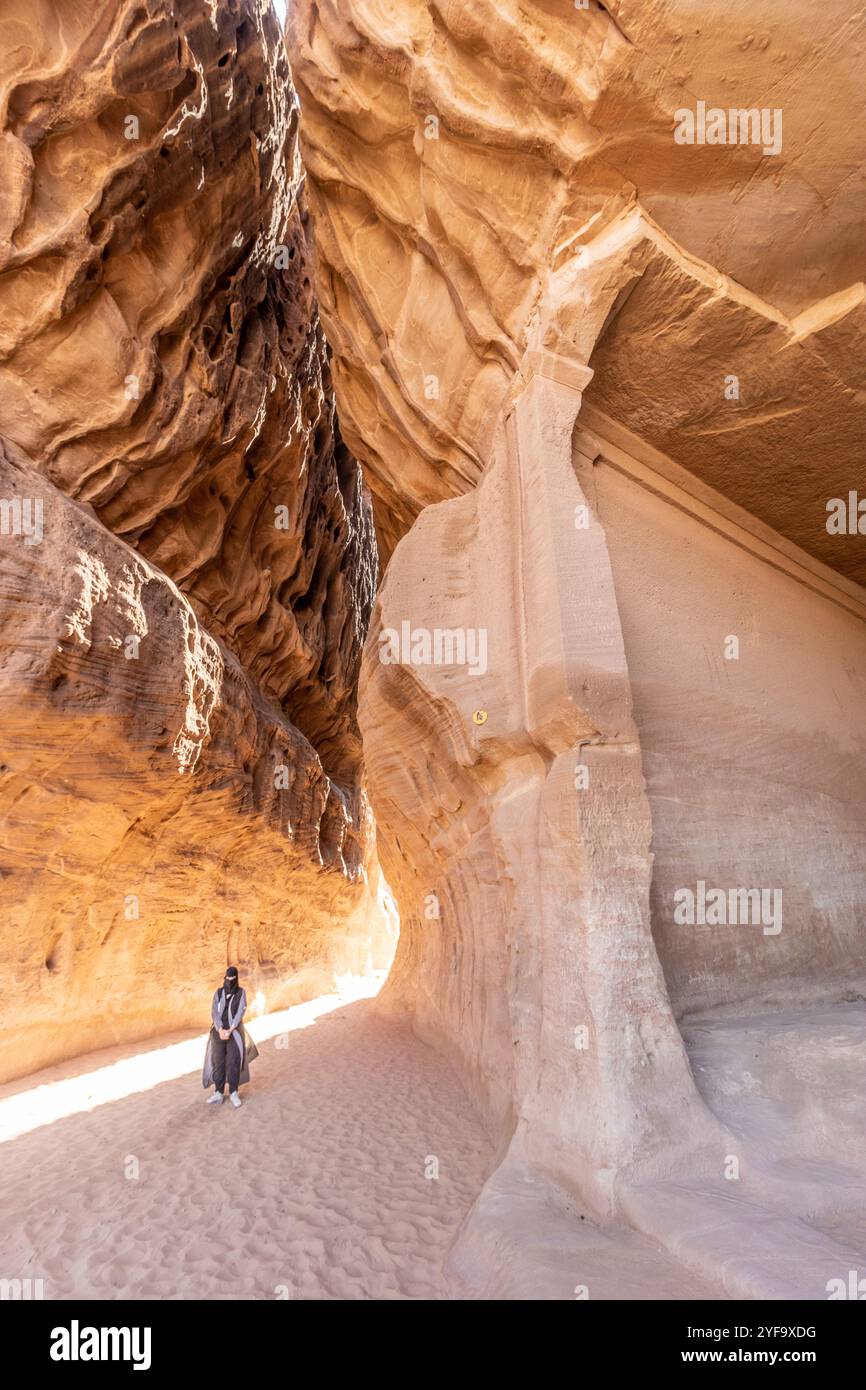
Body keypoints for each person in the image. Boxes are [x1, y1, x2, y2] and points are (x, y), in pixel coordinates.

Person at [202, 966, 258, 1107]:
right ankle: (219, 1092)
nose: (229, 981)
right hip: (218, 1032)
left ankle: (233, 1092)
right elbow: (214, 1012)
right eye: (227, 978)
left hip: (234, 1033)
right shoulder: (218, 993)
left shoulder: (241, 993)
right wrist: (220, 1029)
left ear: (236, 978)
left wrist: (230, 1029)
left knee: (233, 1062)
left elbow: (240, 1012)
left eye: (232, 978)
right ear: (224, 978)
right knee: (218, 1062)